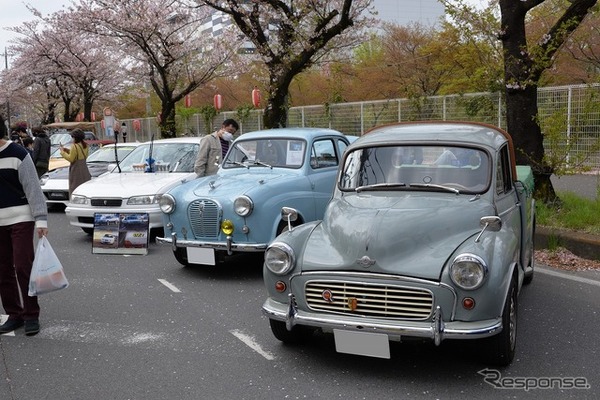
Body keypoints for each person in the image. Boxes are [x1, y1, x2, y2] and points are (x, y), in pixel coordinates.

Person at [0, 114, 48, 336]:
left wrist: (41, 219)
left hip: (21, 218)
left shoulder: (18, 154)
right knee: (2, 270)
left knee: (22, 266)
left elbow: (33, 188)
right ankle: (14, 314)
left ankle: (31, 314)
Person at [59, 128, 92, 197]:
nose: (72, 139)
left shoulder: (74, 146)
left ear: (75, 138)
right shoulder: (85, 145)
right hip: (84, 169)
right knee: (84, 187)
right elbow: (79, 155)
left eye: (73, 137)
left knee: (75, 187)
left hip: (76, 170)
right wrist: (67, 150)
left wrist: (62, 152)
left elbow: (71, 159)